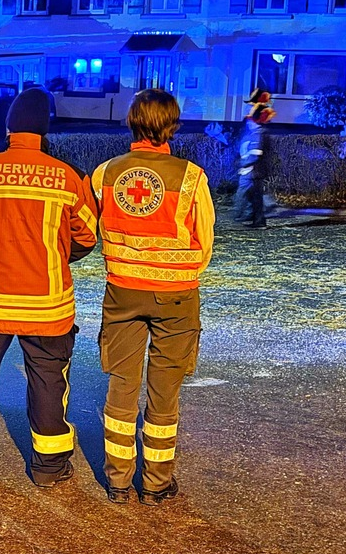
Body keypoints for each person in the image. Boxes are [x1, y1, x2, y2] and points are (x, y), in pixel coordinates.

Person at [0, 89, 99, 485]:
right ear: (45, 130)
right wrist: (59, 255)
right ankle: (48, 468)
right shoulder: (67, 177)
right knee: (48, 380)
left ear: (9, 126)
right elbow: (87, 235)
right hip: (48, 307)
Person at [90, 89, 214, 506]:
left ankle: (118, 482)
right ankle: (156, 483)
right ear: (172, 126)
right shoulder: (192, 177)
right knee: (164, 391)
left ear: (131, 122)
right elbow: (206, 243)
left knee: (122, 384)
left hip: (123, 292)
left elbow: (96, 231)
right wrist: (178, 275)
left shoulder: (105, 174)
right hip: (176, 297)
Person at [234, 88, 275, 229]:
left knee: (256, 195)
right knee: (254, 194)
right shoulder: (257, 128)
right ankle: (255, 217)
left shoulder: (258, 131)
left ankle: (258, 220)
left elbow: (256, 152)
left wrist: (245, 163)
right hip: (255, 169)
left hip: (255, 169)